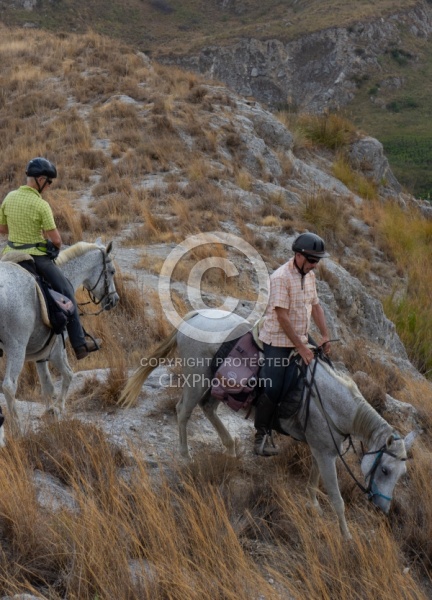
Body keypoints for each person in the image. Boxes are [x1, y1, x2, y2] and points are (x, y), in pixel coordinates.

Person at [0, 157, 101, 360]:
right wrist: (48, 243)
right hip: (35, 258)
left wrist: (19, 231)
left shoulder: (9, 197)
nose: (49, 187)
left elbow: (2, 228)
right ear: (41, 179)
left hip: (8, 256)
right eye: (49, 182)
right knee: (66, 290)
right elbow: (56, 240)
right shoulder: (41, 205)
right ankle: (80, 344)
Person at [254, 232, 331, 456]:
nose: (315, 265)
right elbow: (282, 317)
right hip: (278, 338)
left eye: (318, 261)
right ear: (298, 256)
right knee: (274, 386)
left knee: (325, 368)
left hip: (300, 335)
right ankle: (261, 436)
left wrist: (325, 335)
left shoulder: (310, 276)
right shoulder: (280, 278)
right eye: (312, 260)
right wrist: (301, 347)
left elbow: (316, 307)